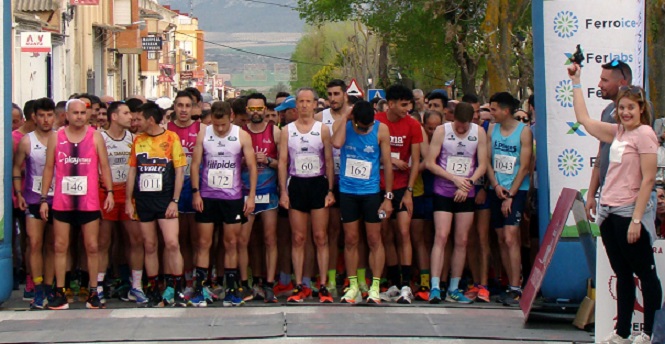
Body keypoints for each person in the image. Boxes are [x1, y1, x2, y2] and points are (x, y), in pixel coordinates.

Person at [569, 63, 661, 344]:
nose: (625, 113)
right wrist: (576, 81)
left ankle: (649, 332)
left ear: (641, 109)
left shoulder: (645, 134)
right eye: (622, 108)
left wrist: (636, 219)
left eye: (631, 108)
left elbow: (648, 180)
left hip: (629, 211)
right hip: (608, 212)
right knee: (622, 273)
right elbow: (584, 119)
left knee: (645, 273)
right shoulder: (617, 132)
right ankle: (622, 332)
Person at [39, 99, 115, 310]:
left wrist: (109, 192)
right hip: (63, 201)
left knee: (92, 246)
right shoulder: (57, 136)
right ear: (66, 115)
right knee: (60, 246)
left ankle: (93, 291)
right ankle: (60, 291)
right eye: (75, 113)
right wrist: (44, 199)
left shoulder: (95, 136)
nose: (79, 116)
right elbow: (48, 168)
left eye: (83, 113)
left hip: (88, 201)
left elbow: (104, 167)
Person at [190, 101, 257, 307]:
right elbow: (195, 164)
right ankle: (200, 290)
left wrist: (251, 196)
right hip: (208, 196)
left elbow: (253, 167)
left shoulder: (241, 135)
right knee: (204, 243)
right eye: (216, 125)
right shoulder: (204, 134)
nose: (219, 129)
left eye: (223, 125)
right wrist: (196, 193)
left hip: (232, 197)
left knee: (231, 243)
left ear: (231, 117)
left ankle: (231, 291)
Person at [125, 102, 187, 307]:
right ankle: (153, 289)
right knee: (149, 245)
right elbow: (133, 171)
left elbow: (179, 171)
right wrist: (128, 200)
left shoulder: (171, 138)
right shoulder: (138, 140)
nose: (135, 122)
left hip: (165, 199)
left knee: (171, 243)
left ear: (150, 119)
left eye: (138, 119)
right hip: (144, 200)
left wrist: (175, 201)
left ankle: (177, 288)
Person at [426, 102, 488, 304]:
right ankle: (435, 286)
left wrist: (468, 183)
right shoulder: (442, 131)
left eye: (465, 125)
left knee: (462, 240)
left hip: (465, 193)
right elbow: (429, 162)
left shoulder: (478, 133)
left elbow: (483, 164)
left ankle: (454, 286)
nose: (461, 129)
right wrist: (453, 179)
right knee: (441, 236)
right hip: (443, 190)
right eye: (458, 124)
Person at [332, 101, 394, 303]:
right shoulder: (345, 125)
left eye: (367, 127)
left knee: (374, 239)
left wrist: (388, 197)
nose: (363, 130)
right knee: (350, 239)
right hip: (348, 191)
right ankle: (352, 286)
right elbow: (337, 143)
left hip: (371, 192)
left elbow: (387, 164)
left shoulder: (381, 130)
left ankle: (375, 286)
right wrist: (345, 118)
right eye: (360, 126)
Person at [278, 88, 335, 303]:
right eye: (300, 101)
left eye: (307, 101)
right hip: (297, 184)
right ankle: (299, 284)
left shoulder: (322, 129)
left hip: (317, 184)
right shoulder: (287, 130)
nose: (303, 105)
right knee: (298, 237)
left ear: (314, 105)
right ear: (296, 106)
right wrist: (283, 191)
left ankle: (322, 285)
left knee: (320, 237)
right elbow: (283, 162)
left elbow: (329, 160)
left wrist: (330, 190)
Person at [376, 84, 423, 304]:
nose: (407, 109)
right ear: (391, 103)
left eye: (410, 105)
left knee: (403, 232)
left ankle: (406, 284)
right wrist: (390, 161)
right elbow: (366, 152)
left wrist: (409, 191)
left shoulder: (413, 125)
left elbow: (415, 161)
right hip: (379, 187)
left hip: (402, 188)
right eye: (403, 105)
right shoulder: (377, 121)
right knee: (385, 233)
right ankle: (393, 282)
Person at [97, 102, 147, 305]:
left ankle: (136, 285)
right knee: (103, 242)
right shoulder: (99, 137)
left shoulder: (134, 139)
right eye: (126, 113)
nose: (131, 117)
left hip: (128, 194)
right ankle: (98, 287)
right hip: (105, 193)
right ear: (114, 117)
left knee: (136, 240)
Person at [485, 92, 532, 306]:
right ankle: (507, 282)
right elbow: (486, 160)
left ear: (505, 110)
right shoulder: (492, 130)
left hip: (516, 190)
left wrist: (511, 195)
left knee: (512, 235)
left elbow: (524, 167)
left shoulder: (524, 132)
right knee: (501, 237)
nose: (491, 113)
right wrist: (495, 185)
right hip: (497, 188)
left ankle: (516, 285)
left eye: (494, 109)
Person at [13, 98, 56, 309]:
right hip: (32, 198)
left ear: (55, 117)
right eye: (41, 115)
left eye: (49, 115)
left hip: (58, 198)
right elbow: (16, 167)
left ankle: (49, 286)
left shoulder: (61, 139)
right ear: (34, 117)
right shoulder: (27, 141)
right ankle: (38, 288)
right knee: (34, 243)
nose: (46, 120)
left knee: (52, 245)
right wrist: (19, 193)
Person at [239, 93, 282, 303]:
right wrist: (244, 162)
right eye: (252, 109)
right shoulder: (239, 132)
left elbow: (284, 164)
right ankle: (246, 283)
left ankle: (269, 284)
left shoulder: (275, 131)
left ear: (265, 110)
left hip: (269, 192)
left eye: (259, 109)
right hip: (245, 192)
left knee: (269, 239)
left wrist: (269, 160)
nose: (256, 113)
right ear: (246, 110)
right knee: (244, 240)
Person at [315, 79, 352, 296]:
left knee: (351, 234)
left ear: (345, 95)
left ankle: (352, 277)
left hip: (351, 180)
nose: (332, 98)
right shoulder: (321, 118)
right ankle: (329, 278)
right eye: (329, 94)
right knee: (329, 231)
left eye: (337, 94)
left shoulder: (353, 116)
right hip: (328, 179)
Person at [167, 91, 205, 297]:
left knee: (197, 239)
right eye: (179, 105)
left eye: (187, 106)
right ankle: (176, 279)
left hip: (195, 187)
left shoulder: (202, 129)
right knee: (175, 239)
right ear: (174, 107)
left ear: (194, 108)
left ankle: (195, 280)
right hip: (173, 189)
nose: (183, 110)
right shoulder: (166, 129)